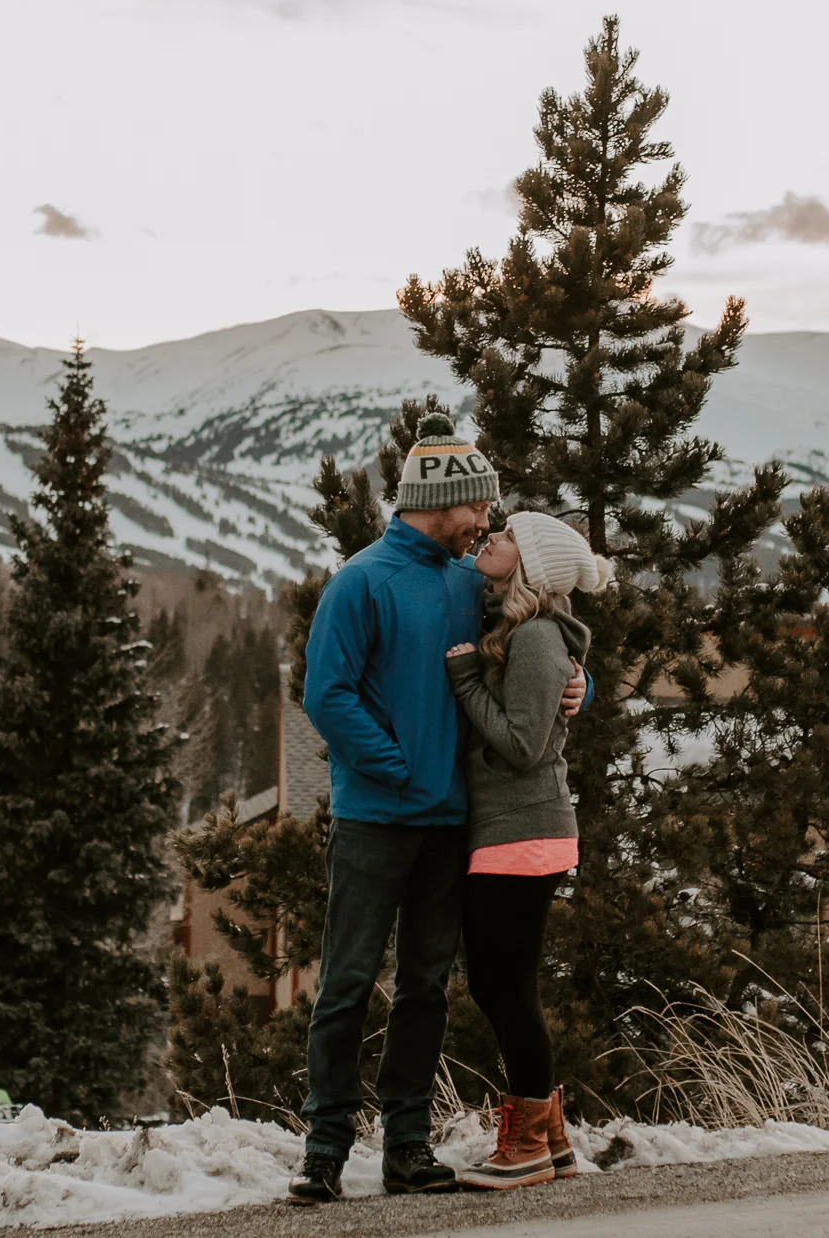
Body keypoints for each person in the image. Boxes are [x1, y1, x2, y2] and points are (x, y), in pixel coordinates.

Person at [289, 415, 585, 1204]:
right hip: (374, 819)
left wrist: (576, 685)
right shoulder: (360, 583)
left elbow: (538, 641)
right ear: (441, 502)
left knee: (424, 988)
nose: (486, 521)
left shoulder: (469, 587)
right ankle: (323, 1151)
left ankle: (408, 1146)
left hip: (452, 826)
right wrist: (398, 770)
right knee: (347, 985)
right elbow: (327, 695)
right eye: (478, 507)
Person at [443, 511, 609, 1189]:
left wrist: (466, 682)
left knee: (503, 986)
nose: (492, 537)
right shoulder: (516, 629)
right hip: (508, 829)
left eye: (508, 535)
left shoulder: (537, 636)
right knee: (502, 984)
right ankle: (550, 1137)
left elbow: (522, 745)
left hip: (524, 830)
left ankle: (528, 1144)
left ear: (530, 565)